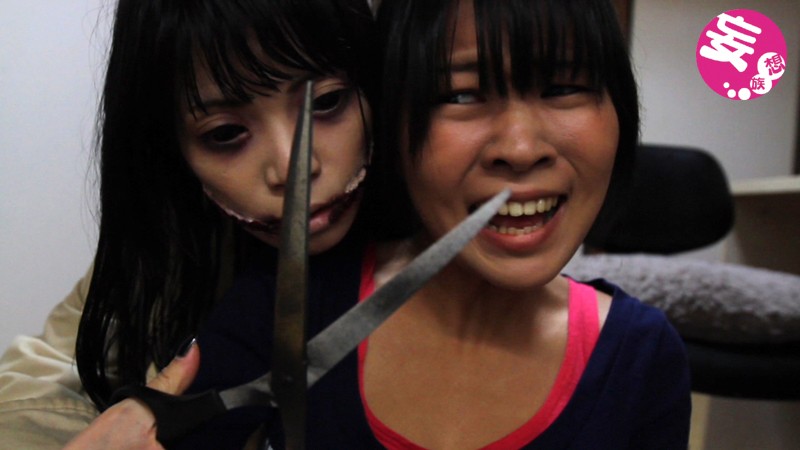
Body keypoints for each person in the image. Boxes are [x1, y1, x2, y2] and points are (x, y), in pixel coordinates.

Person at [176, 0, 691, 448]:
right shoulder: (287, 303)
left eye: (563, 88)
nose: (520, 148)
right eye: (462, 95)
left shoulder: (643, 358)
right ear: (392, 118)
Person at [0, 0, 379, 448]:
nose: (291, 167)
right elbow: (34, 375)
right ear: (173, 151)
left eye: (328, 102)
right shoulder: (170, 251)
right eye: (225, 133)